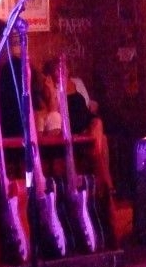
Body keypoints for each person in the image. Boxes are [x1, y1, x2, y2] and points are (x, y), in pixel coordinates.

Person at [41, 56, 117, 233]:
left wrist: (96, 124)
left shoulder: (75, 94)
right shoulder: (46, 95)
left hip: (82, 137)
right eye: (57, 69)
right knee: (96, 145)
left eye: (64, 68)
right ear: (50, 74)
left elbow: (87, 116)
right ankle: (103, 191)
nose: (62, 72)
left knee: (100, 137)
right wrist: (52, 97)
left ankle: (106, 190)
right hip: (63, 145)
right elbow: (52, 124)